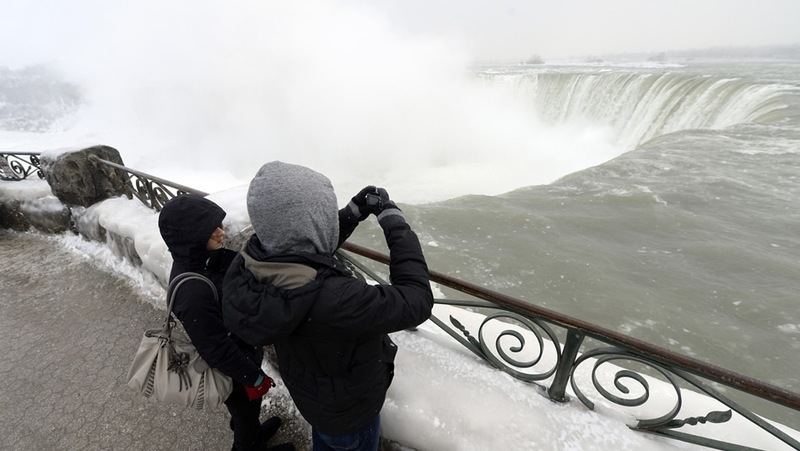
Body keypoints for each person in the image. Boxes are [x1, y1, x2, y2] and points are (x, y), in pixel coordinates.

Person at [221, 161, 434, 451]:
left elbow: (304, 250)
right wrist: (394, 222)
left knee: (327, 441)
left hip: (314, 397)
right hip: (351, 413)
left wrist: (353, 213)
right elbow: (417, 301)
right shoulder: (338, 298)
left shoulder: (250, 263)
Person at [158, 194, 294, 451]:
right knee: (244, 411)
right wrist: (253, 378)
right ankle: (248, 443)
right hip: (234, 369)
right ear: (192, 239)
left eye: (219, 225)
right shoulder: (193, 291)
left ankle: (252, 431)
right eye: (212, 231)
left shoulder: (199, 259)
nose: (221, 232)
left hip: (240, 355)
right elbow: (215, 348)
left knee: (246, 413)